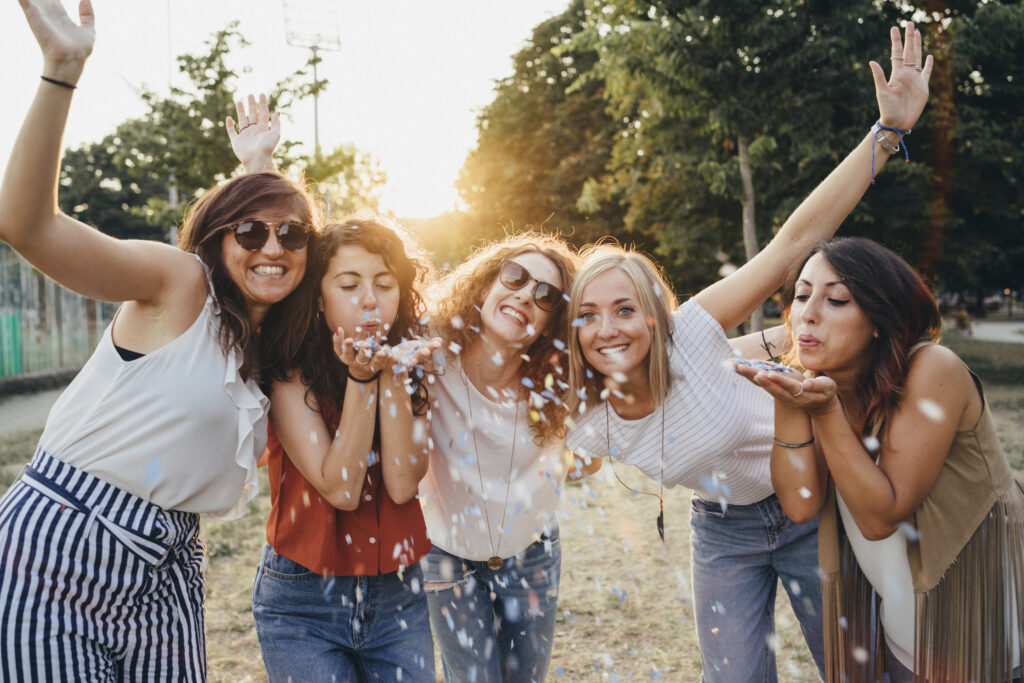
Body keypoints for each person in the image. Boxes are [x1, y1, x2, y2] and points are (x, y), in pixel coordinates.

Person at [563, 23, 933, 682]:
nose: (606, 328)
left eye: (624, 309)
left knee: (863, 671)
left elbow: (793, 243)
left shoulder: (696, 332)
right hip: (722, 530)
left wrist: (887, 134)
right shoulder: (579, 412)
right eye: (587, 315)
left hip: (812, 500)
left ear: (655, 318)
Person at [0, 1, 319, 680]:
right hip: (61, 543)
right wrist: (61, 72)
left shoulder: (265, 350)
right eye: (252, 231)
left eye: (293, 234)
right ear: (218, 234)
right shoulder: (180, 284)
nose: (273, 247)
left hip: (171, 561)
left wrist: (258, 168)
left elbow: (254, 246)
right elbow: (28, 226)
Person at [735, 237, 1024, 683]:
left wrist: (824, 412)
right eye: (800, 294)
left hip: (983, 628)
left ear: (878, 319)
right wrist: (788, 405)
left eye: (835, 299)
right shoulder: (820, 382)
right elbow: (800, 504)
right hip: (904, 628)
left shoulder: (933, 370)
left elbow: (880, 517)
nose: (807, 313)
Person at [252, 217, 440, 682]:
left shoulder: (411, 365)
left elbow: (400, 484)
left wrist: (390, 374)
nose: (370, 299)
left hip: (398, 595)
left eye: (384, 284)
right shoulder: (289, 372)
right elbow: (341, 488)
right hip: (303, 601)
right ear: (319, 296)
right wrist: (361, 380)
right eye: (349, 284)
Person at [418, 233, 591, 682]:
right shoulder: (430, 352)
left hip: (532, 553)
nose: (524, 296)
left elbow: (585, 460)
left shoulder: (562, 381)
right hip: (445, 554)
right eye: (514, 276)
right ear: (486, 283)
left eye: (546, 295)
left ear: (555, 319)